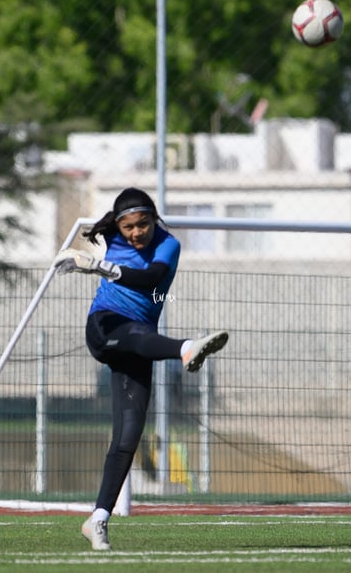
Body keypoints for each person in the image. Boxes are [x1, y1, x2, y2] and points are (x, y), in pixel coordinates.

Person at [54, 187, 228, 551]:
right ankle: (184, 348)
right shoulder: (113, 234)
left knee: (127, 438)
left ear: (154, 219)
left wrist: (101, 266)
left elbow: (150, 280)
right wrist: (76, 257)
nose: (136, 233)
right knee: (139, 335)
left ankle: (97, 519)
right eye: (129, 226)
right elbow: (87, 245)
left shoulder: (169, 245)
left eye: (143, 224)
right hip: (105, 327)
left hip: (140, 339)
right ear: (119, 224)